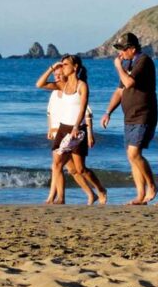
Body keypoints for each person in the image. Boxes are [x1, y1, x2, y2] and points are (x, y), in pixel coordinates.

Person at [37, 55, 107, 205]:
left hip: (77, 130)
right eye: (61, 65)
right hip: (63, 129)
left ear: (75, 67)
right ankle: (58, 198)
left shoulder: (82, 86)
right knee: (56, 164)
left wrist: (76, 127)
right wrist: (52, 68)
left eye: (65, 64)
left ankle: (100, 189)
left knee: (80, 169)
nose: (63, 67)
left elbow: (83, 109)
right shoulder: (63, 85)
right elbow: (39, 84)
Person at [100, 32, 158, 205]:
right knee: (131, 157)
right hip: (129, 116)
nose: (120, 53)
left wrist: (118, 66)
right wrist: (108, 112)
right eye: (119, 49)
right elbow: (120, 91)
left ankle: (152, 186)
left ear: (132, 49)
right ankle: (140, 195)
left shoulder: (143, 61)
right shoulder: (128, 64)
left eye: (123, 49)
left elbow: (130, 83)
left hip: (143, 114)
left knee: (134, 153)